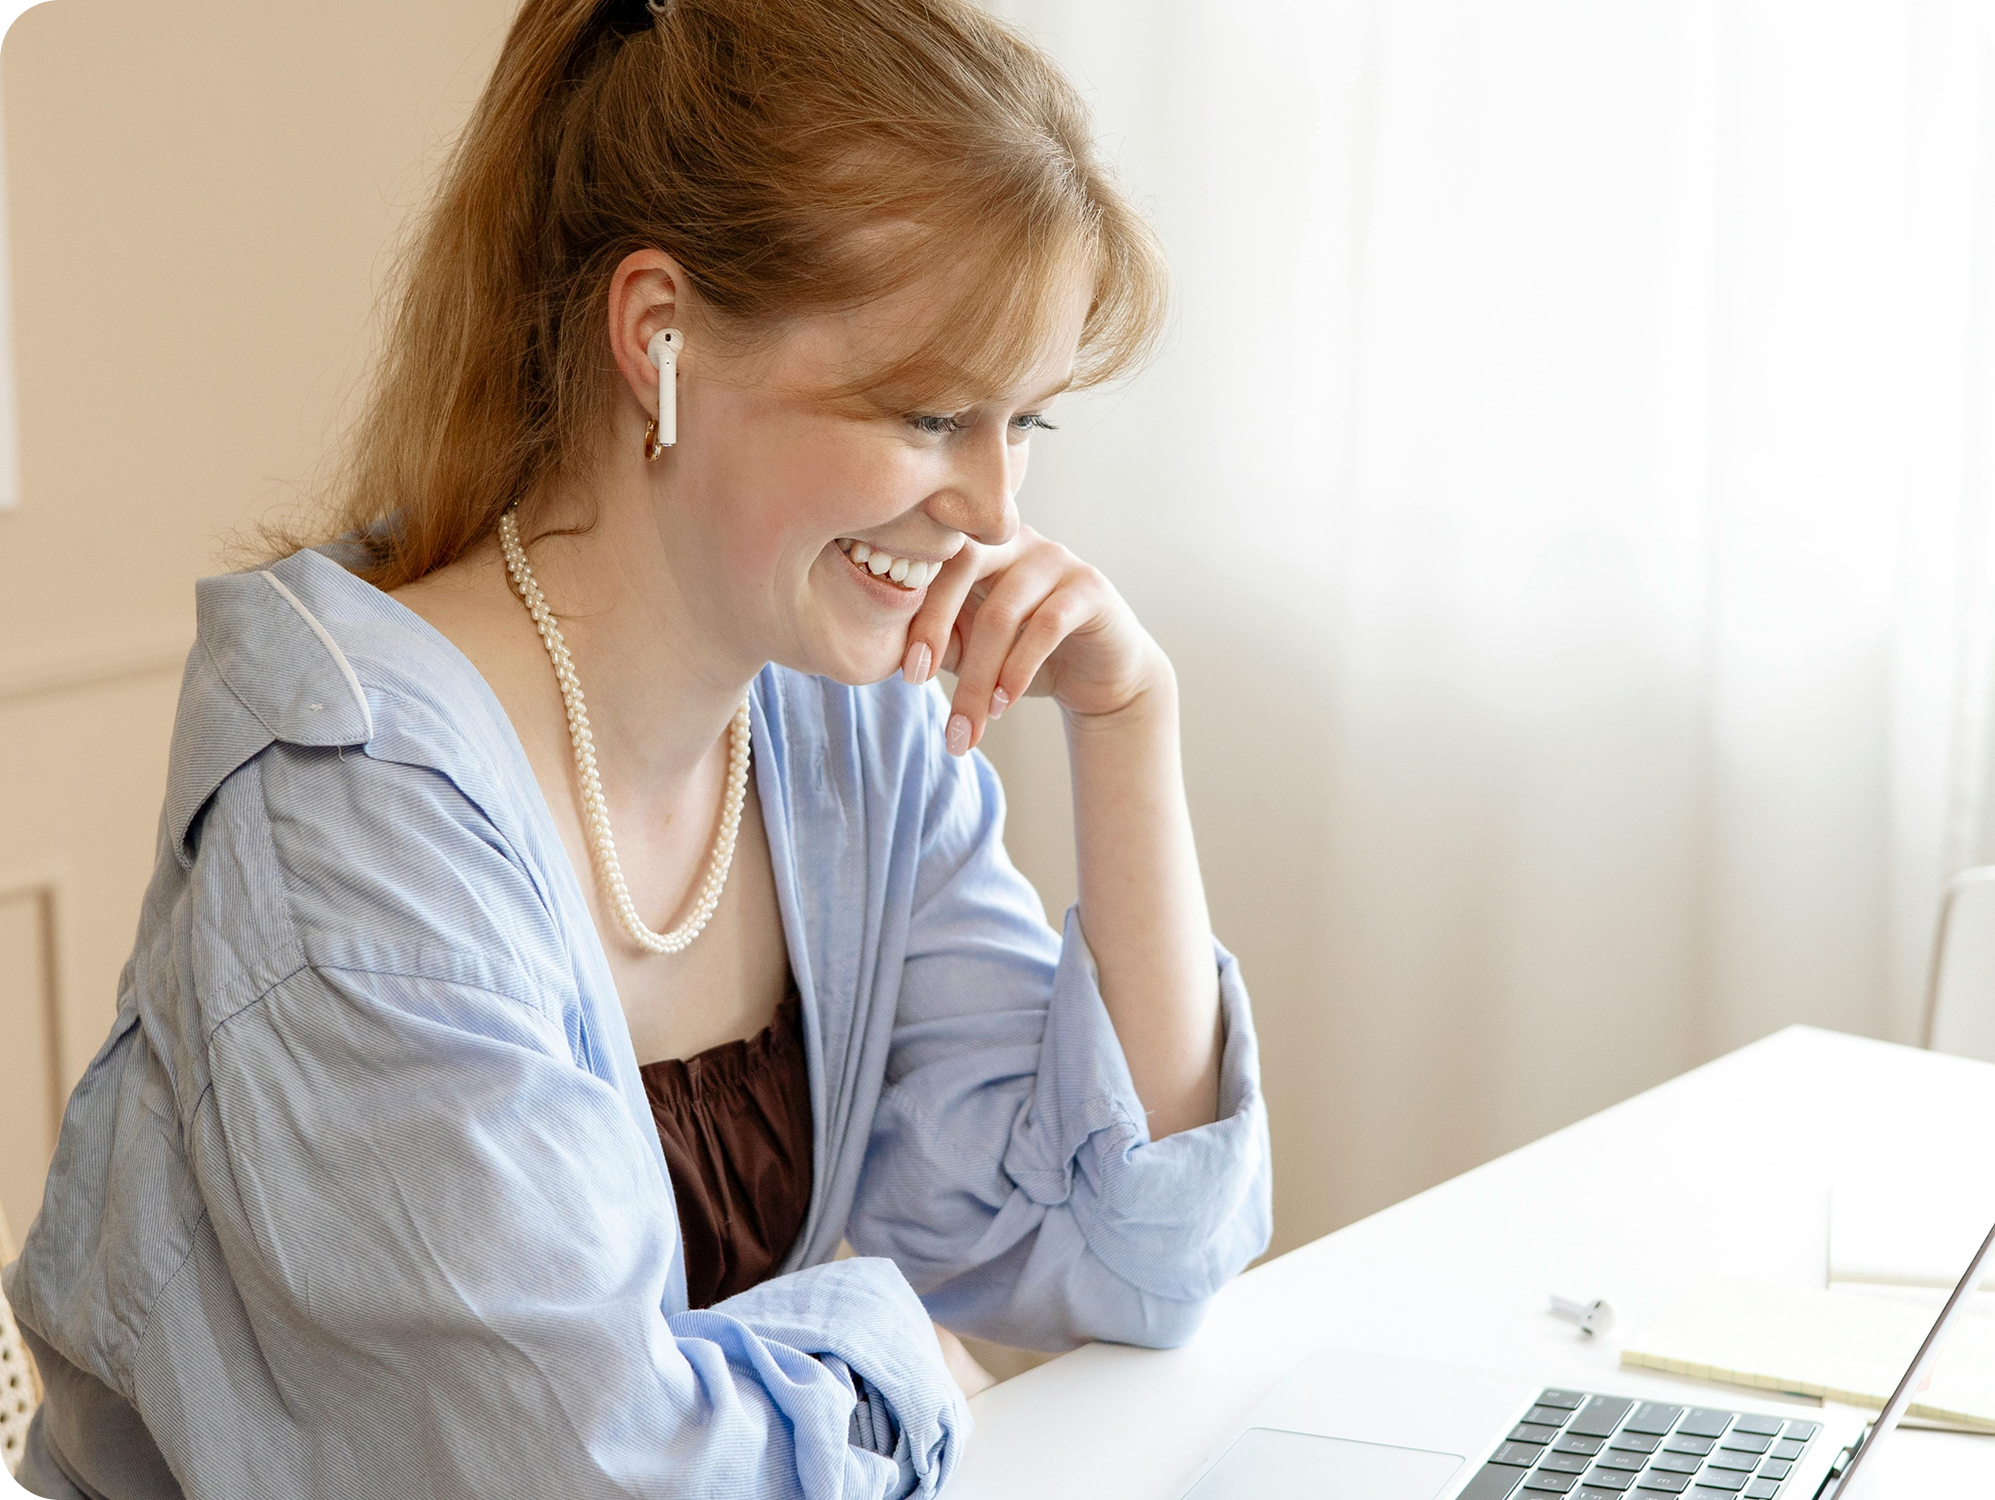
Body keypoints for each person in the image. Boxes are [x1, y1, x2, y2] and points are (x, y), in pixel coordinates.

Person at [1, 0, 1272, 1493]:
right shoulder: (345, 816)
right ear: (657, 337)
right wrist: (893, 1343)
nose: (996, 510)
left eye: (1026, 423)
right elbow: (588, 1466)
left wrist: (1130, 730)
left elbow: (1139, 1260)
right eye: (931, 414)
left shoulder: (840, 725)